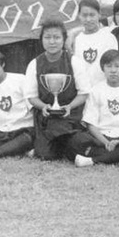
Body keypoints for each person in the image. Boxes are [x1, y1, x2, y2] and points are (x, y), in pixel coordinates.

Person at [24, 17, 89, 160]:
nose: (52, 42)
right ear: (41, 40)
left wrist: (69, 107)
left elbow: (83, 93)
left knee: (74, 141)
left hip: (70, 115)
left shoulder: (74, 61)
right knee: (45, 154)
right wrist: (43, 107)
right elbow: (31, 96)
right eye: (47, 37)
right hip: (46, 117)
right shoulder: (34, 64)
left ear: (64, 39)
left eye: (56, 37)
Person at [72, 0, 118, 88]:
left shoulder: (109, 37)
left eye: (92, 15)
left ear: (99, 15)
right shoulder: (77, 39)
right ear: (79, 16)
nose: (88, 19)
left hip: (104, 90)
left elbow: (114, 67)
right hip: (83, 91)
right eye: (84, 15)